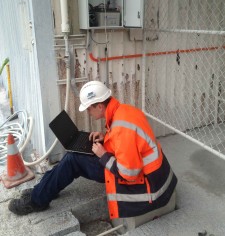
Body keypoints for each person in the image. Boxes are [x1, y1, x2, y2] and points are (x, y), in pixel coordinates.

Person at [8, 80, 177, 219]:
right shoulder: (124, 111)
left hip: (148, 185)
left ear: (100, 106)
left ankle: (37, 200)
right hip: (155, 175)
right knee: (73, 155)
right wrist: (105, 138)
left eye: (89, 108)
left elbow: (129, 173)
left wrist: (103, 156)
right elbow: (126, 143)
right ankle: (43, 189)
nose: (88, 112)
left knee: (72, 159)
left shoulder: (120, 128)